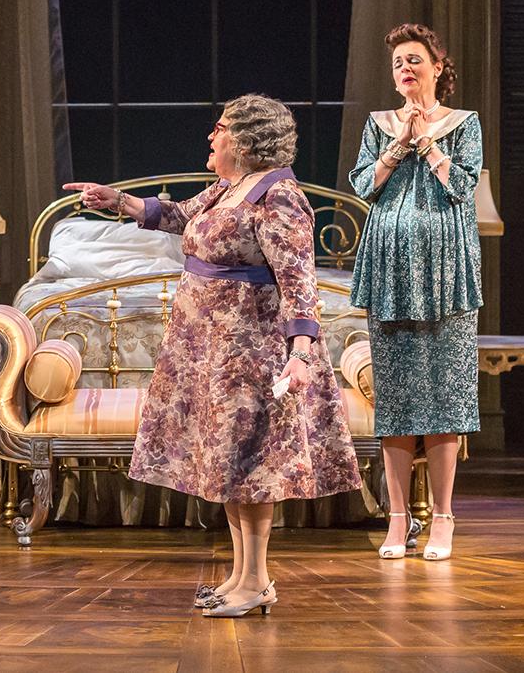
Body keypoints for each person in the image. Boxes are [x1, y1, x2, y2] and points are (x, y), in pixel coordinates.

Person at [67, 94, 361, 618]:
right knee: (227, 463)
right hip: (208, 351)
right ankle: (242, 575)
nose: (210, 136)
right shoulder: (230, 187)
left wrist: (300, 352)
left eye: (220, 128)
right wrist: (120, 202)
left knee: (251, 465)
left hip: (251, 351)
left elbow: (299, 280)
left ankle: (257, 579)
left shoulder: (279, 196)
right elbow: (180, 215)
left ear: (245, 140)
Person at [347, 23, 483, 562]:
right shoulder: (379, 124)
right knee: (398, 399)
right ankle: (399, 519)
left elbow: (464, 188)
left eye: (415, 60)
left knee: (445, 396)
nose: (406, 69)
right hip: (390, 269)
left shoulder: (463, 123)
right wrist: (397, 145)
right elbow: (362, 186)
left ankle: (444, 517)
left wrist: (426, 140)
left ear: (437, 67)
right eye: (399, 62)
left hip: (445, 269)